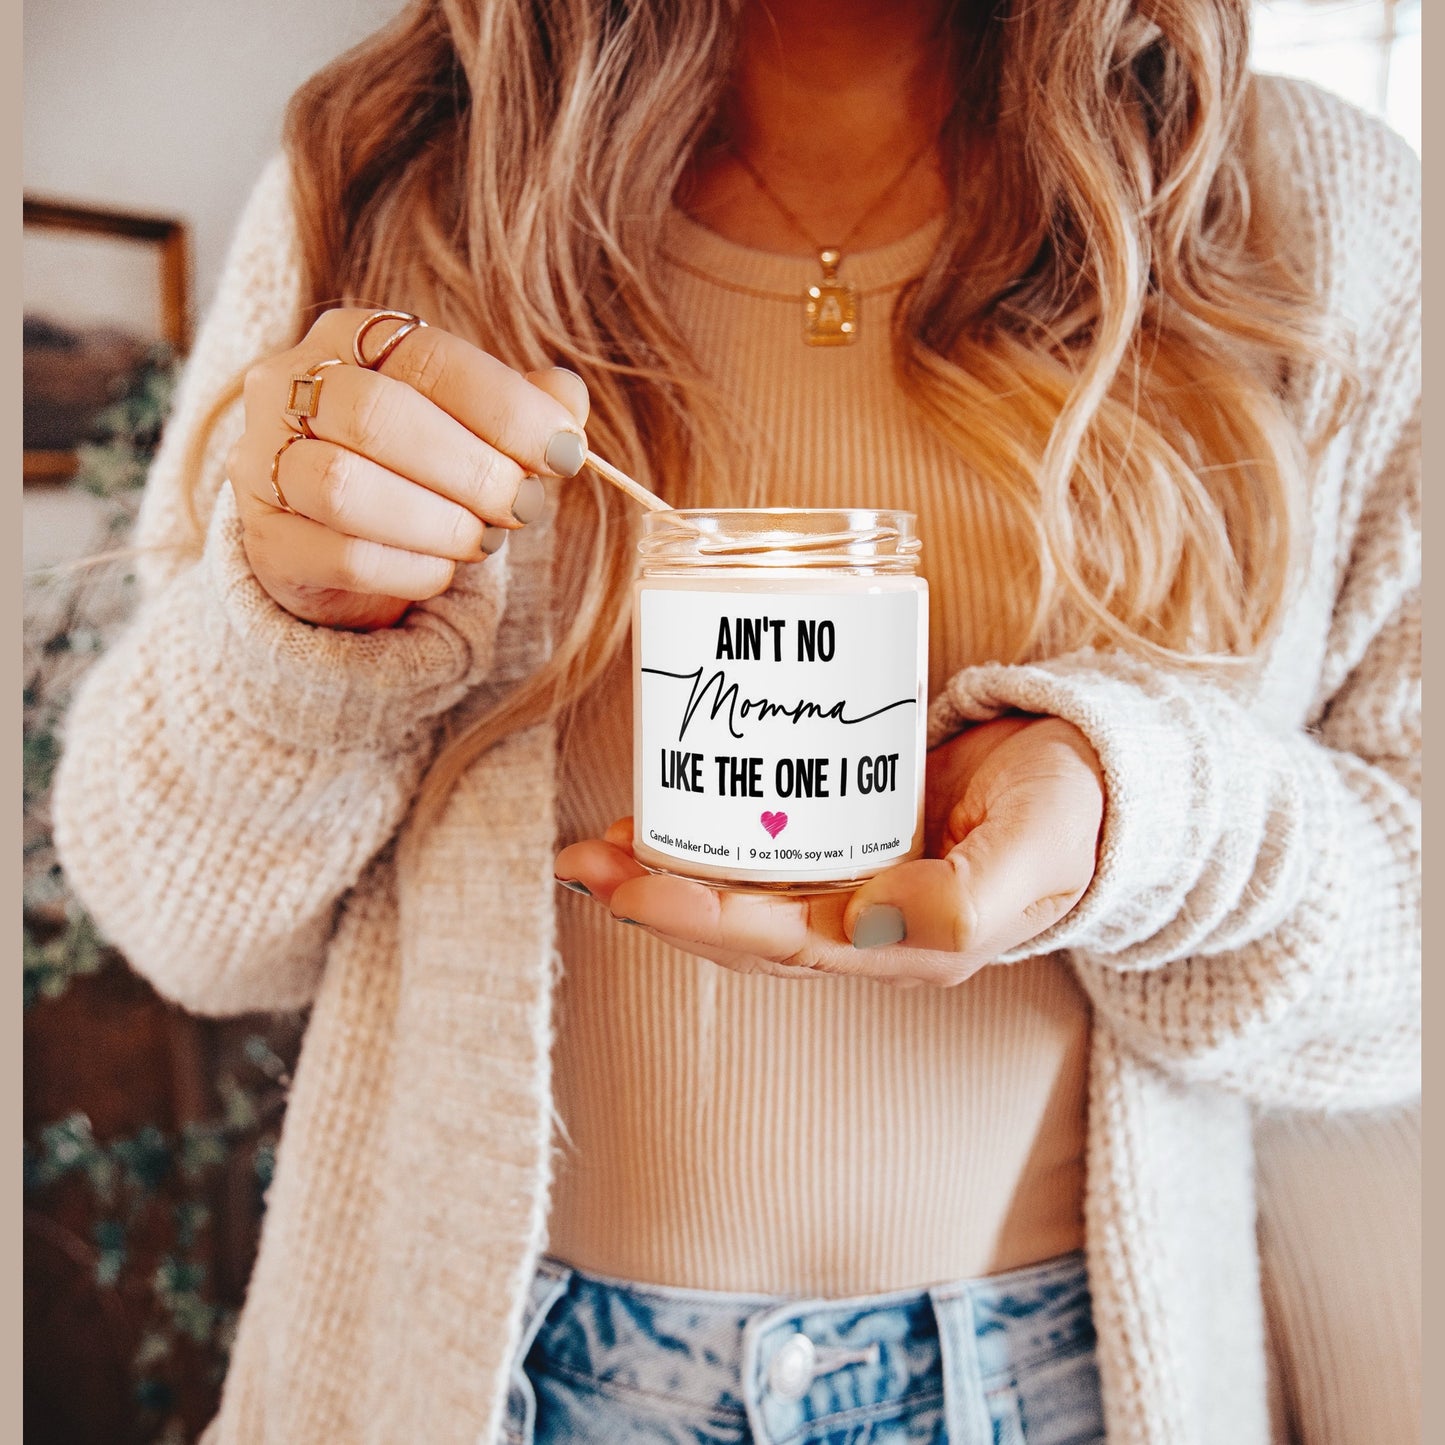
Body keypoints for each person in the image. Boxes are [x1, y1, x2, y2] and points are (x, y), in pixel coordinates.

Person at [52, 2, 1419, 1442]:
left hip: (1066, 1383)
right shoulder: (403, 189)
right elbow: (179, 921)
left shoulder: (1315, 214)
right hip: (475, 1378)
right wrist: (297, 641)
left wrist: (1138, 821)